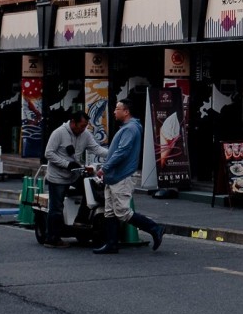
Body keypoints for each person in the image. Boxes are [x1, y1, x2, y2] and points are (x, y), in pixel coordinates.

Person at [93, 100, 163, 254]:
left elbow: (122, 152)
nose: (114, 111)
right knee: (110, 211)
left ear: (126, 112)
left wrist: (105, 168)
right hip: (114, 176)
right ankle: (111, 243)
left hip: (121, 175)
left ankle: (155, 228)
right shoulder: (128, 128)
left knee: (122, 211)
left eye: (117, 109)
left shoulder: (130, 129)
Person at [43, 107, 106, 247]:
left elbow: (96, 149)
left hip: (74, 174)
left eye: (85, 126)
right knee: (57, 208)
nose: (83, 129)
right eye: (82, 126)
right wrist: (66, 164)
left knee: (91, 191)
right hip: (58, 176)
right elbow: (48, 153)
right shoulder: (59, 133)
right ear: (73, 122)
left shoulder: (85, 134)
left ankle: (81, 220)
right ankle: (52, 238)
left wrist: (114, 154)